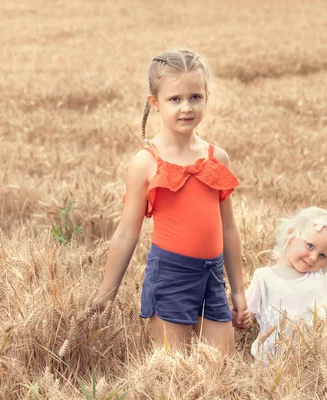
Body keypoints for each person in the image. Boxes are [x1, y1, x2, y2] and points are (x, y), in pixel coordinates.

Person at [93, 49, 250, 354]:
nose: (186, 107)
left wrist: (239, 291)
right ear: (155, 103)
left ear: (207, 97)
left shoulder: (216, 158)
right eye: (175, 99)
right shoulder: (145, 162)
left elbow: (229, 229)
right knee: (173, 375)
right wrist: (106, 293)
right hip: (170, 277)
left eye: (195, 97)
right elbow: (127, 233)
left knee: (222, 369)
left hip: (212, 277)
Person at [245, 180, 327, 362]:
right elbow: (245, 312)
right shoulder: (264, 278)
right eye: (310, 245)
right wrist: (239, 317)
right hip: (271, 364)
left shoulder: (317, 275)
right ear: (291, 234)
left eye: (323, 255)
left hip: (314, 362)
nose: (314, 257)